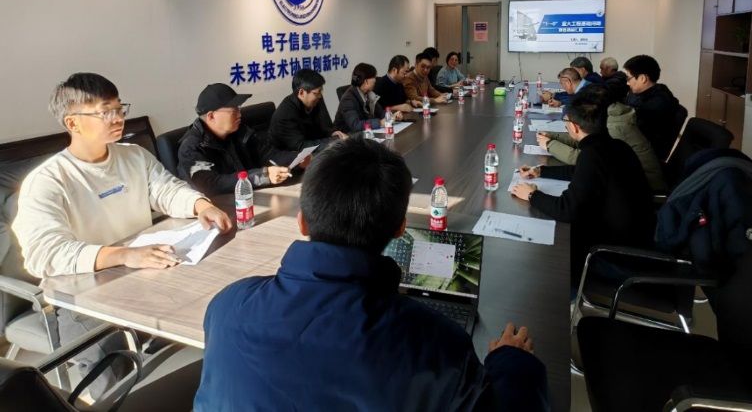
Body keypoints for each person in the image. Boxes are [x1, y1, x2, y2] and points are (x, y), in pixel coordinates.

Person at [195, 138, 549, 411]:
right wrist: (513, 362)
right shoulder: (434, 344)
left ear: (301, 222)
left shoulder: (227, 305)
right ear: (400, 228)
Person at [12, 72, 232, 396]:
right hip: (85, 295)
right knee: (118, 383)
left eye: (119, 108)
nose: (118, 118)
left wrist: (200, 205)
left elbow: (166, 189)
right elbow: (43, 254)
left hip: (145, 276)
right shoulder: (48, 181)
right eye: (106, 112)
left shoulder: (133, 156)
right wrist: (124, 255)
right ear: (72, 123)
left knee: (215, 313)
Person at [512, 96, 655, 288]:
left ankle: (567, 297)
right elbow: (580, 171)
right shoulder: (616, 146)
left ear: (574, 127)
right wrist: (541, 171)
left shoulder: (592, 155)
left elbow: (566, 210)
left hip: (615, 256)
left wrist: (531, 195)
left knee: (544, 257)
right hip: (638, 240)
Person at [178, 83, 304, 198]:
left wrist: (299, 160)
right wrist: (263, 176)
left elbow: (269, 155)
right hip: (223, 206)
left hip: (253, 196)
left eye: (239, 108)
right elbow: (212, 184)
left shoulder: (239, 131)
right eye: (233, 110)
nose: (239, 114)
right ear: (211, 116)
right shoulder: (192, 147)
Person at [537, 84, 667, 193]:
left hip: (644, 189)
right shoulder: (610, 115)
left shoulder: (616, 127)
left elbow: (585, 159)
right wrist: (554, 136)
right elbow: (586, 141)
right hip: (623, 180)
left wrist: (550, 145)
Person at [269, 69, 347, 152]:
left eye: (321, 91)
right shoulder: (285, 115)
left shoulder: (315, 101)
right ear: (301, 93)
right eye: (316, 93)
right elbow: (300, 145)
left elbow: (323, 127)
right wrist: (333, 142)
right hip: (286, 154)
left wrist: (332, 133)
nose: (320, 96)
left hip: (309, 149)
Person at [622, 55, 680, 160]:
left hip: (643, 156)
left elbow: (629, 129)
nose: (627, 82)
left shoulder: (657, 104)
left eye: (628, 78)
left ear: (642, 78)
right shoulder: (638, 93)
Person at [334, 62, 403, 133]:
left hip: (364, 133)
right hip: (346, 136)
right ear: (366, 81)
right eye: (374, 77)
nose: (375, 80)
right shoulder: (348, 99)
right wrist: (380, 123)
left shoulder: (368, 93)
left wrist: (392, 116)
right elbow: (355, 125)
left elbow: (380, 112)